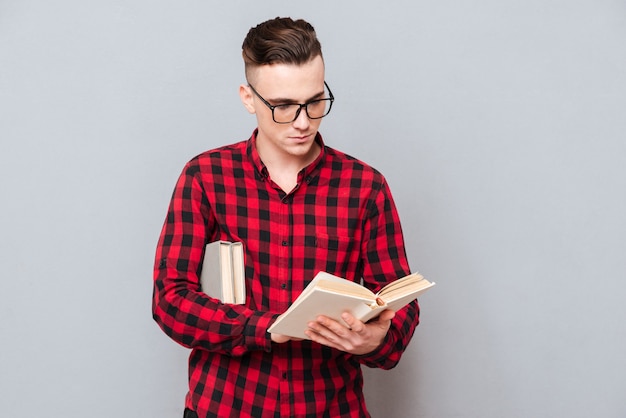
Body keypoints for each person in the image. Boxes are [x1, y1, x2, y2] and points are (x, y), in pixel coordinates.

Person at [152, 16, 420, 418]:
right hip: (225, 407)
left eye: (315, 101)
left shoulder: (365, 186)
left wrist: (375, 340)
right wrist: (264, 329)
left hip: (331, 408)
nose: (302, 121)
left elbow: (399, 300)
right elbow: (170, 300)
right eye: (282, 106)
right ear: (248, 98)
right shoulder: (205, 177)